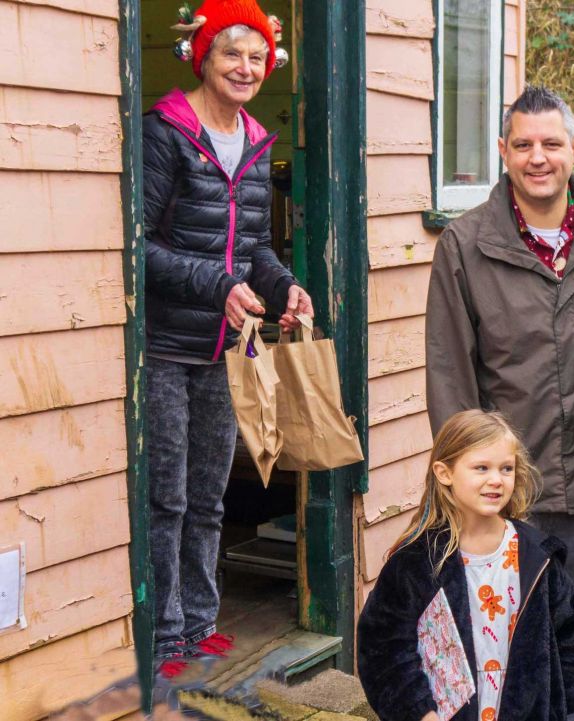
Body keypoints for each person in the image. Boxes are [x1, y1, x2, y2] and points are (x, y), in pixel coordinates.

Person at [426, 86, 574, 666]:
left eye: (551, 143)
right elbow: (450, 372)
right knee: (511, 652)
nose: (538, 158)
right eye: (524, 144)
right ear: (503, 151)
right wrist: (472, 490)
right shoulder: (465, 246)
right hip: (510, 499)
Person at [142, 0, 312, 678]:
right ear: (203, 57)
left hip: (225, 346)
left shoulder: (255, 138)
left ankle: (203, 620)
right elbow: (140, 247)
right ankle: (164, 635)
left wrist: (286, 286)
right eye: (230, 53)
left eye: (256, 57)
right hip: (166, 345)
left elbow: (252, 254)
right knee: (168, 496)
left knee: (210, 493)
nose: (245, 67)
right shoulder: (168, 133)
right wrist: (216, 287)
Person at [357, 410, 574, 721]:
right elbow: (384, 647)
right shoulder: (418, 563)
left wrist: (560, 702)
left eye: (506, 468)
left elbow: (569, 635)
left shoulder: (538, 557)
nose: (496, 479)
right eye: (481, 468)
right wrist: (419, 712)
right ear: (444, 472)